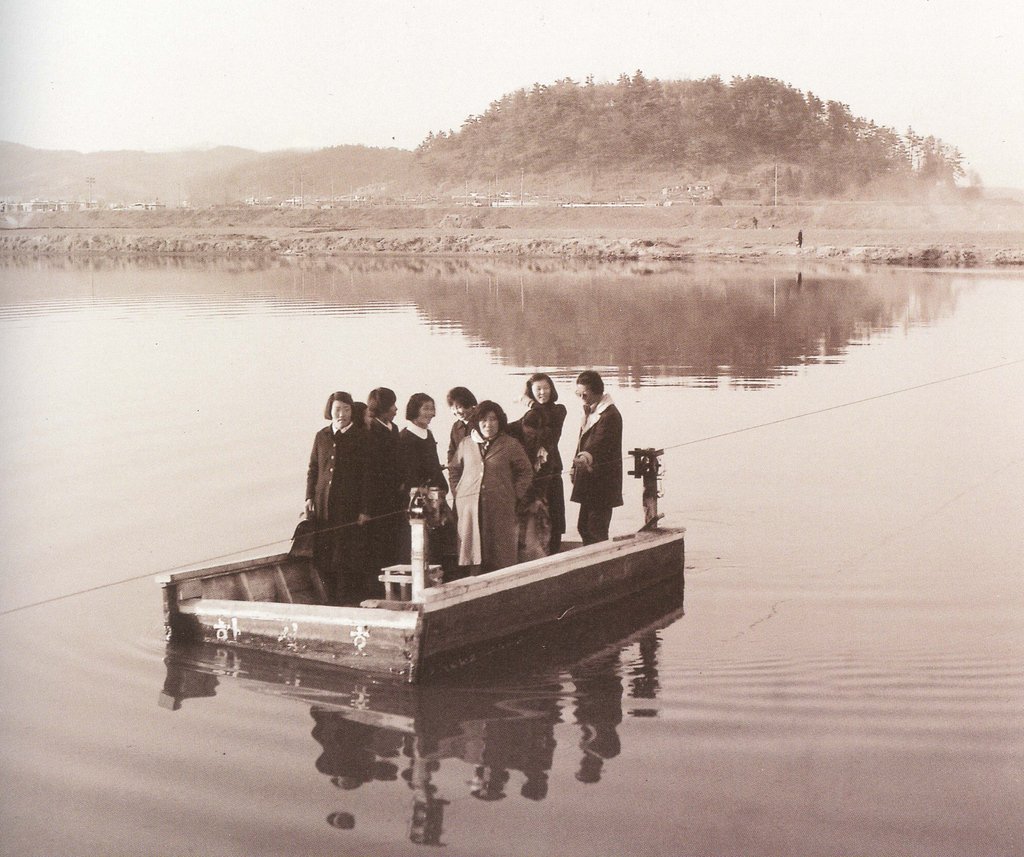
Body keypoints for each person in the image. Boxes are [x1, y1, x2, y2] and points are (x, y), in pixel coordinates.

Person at [449, 400, 533, 574]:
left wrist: (515, 494)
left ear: (500, 421)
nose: (488, 424)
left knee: (500, 552)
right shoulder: (466, 443)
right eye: (483, 420)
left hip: (500, 505)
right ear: (477, 422)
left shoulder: (510, 444)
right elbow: (454, 470)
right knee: (472, 549)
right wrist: (458, 492)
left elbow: (525, 472)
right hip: (469, 507)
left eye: (493, 419)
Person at [305, 391, 372, 603]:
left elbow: (367, 476)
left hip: (349, 507)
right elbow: (313, 469)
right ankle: (330, 599)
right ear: (330, 411)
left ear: (352, 411)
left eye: (346, 409)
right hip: (323, 505)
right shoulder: (321, 436)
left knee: (346, 556)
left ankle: (346, 600)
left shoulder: (361, 437)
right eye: (337, 409)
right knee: (324, 555)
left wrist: (365, 509)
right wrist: (309, 497)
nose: (341, 414)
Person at [509, 372, 567, 555]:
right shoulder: (530, 415)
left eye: (546, 388)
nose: (543, 392)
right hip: (535, 474)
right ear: (531, 392)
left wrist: (526, 401)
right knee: (534, 516)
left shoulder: (559, 410)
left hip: (552, 472)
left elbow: (543, 416)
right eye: (538, 389)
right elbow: (512, 429)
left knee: (555, 518)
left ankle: (555, 553)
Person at [398, 393, 452, 567]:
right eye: (426, 408)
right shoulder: (405, 437)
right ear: (414, 410)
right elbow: (408, 474)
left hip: (435, 497)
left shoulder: (427, 434)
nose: (431, 413)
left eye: (432, 408)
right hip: (417, 500)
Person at [570, 370, 623, 545]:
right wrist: (574, 465)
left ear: (597, 391)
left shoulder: (610, 415)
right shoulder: (589, 411)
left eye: (585, 393)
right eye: (579, 393)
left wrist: (585, 457)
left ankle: (600, 566)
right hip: (589, 481)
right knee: (583, 527)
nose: (581, 397)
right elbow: (582, 441)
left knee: (596, 529)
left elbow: (600, 444)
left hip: (602, 484)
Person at [365, 386, 404, 582]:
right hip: (380, 498)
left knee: (394, 540)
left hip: (395, 496)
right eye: (392, 405)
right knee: (380, 541)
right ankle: (379, 583)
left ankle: (394, 579)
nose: (396, 409)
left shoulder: (393, 428)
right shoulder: (371, 429)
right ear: (383, 408)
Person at [445, 386, 478, 463]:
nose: (456, 412)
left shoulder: (481, 422)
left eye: (459, 407)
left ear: (469, 404)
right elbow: (452, 452)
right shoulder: (456, 427)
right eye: (453, 408)